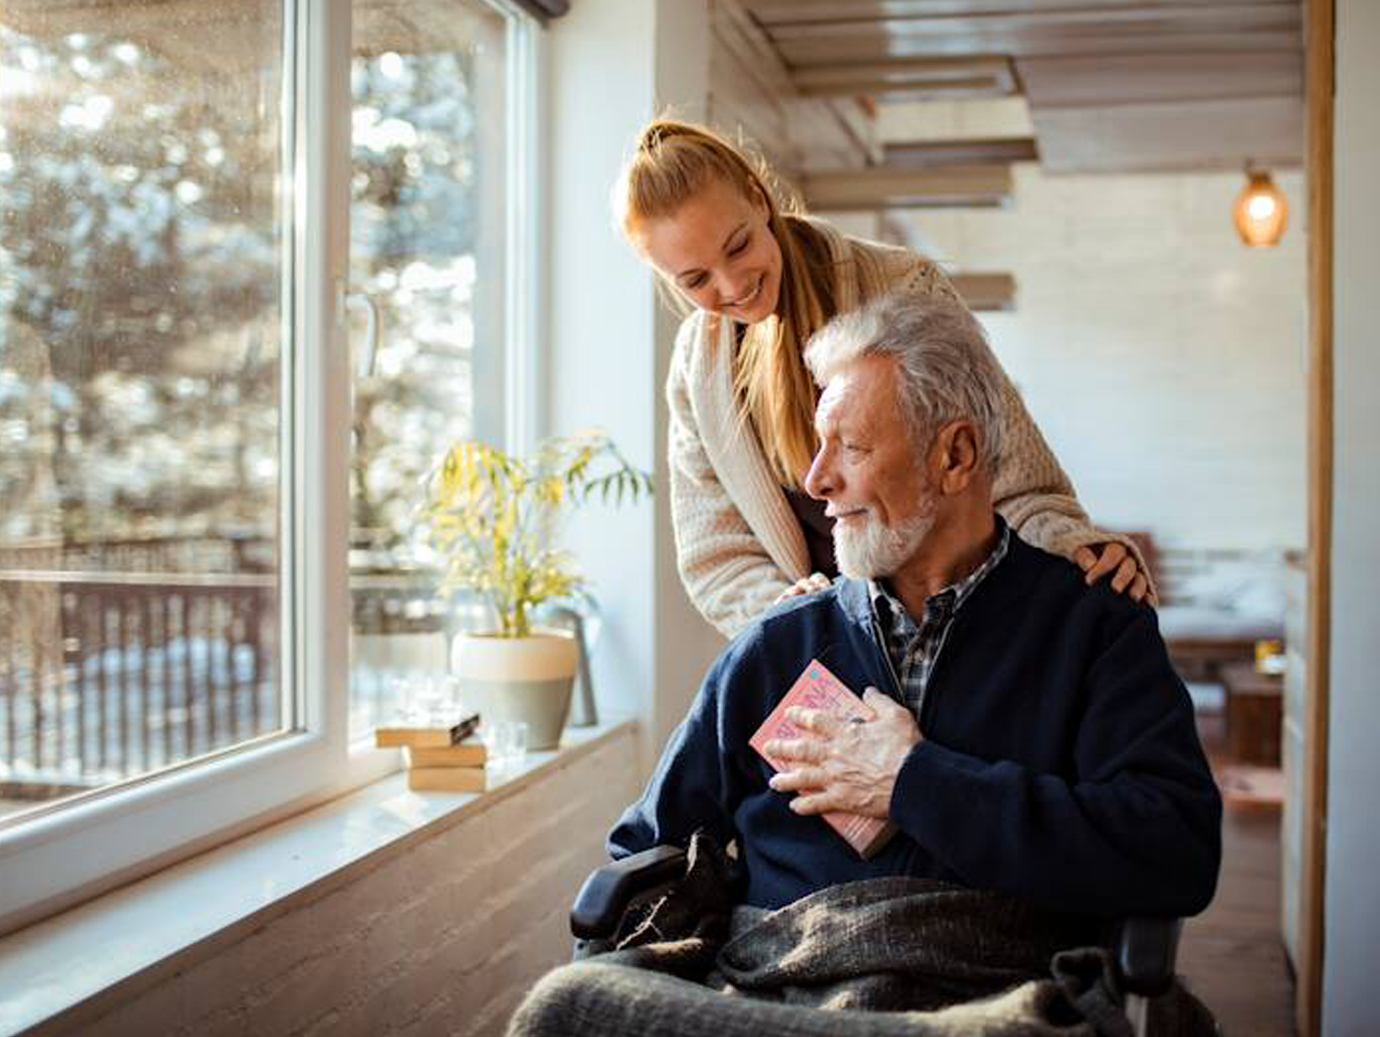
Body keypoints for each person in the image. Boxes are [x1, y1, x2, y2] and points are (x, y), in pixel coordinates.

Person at [608, 292, 1221, 919]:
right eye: (819, 445)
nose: (816, 480)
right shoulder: (779, 644)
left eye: (851, 447)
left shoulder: (1095, 628)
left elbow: (1177, 854)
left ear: (955, 456)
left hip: (988, 993)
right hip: (777, 979)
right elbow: (641, 851)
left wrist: (913, 782)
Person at [615, 118, 1152, 639]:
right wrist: (786, 619)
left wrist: (1075, 546)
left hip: (959, 622)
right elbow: (716, 553)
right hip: (822, 648)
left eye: (738, 246)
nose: (733, 284)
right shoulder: (696, 369)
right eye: (695, 279)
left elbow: (1006, 464)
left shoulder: (904, 285)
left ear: (759, 198)